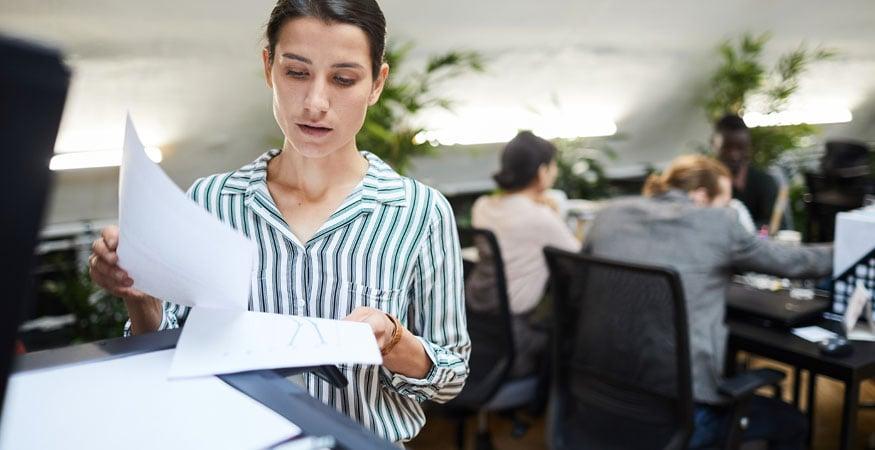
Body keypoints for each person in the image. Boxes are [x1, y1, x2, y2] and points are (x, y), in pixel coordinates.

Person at [87, 0, 470, 443]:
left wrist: (393, 341)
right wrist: (142, 298)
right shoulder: (212, 201)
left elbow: (451, 376)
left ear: (376, 84)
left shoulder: (418, 213)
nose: (315, 103)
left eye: (343, 80)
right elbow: (171, 354)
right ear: (269, 67)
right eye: (296, 72)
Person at [582, 154, 831, 449]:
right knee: (793, 423)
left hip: (594, 403)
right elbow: (795, 262)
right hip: (678, 420)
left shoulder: (609, 215)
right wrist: (852, 244)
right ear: (700, 196)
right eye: (725, 203)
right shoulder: (716, 223)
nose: (728, 211)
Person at [466, 131, 580, 376]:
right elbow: (579, 261)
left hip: (479, 337)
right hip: (518, 343)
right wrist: (554, 213)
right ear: (541, 172)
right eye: (553, 166)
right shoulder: (540, 218)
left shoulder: (482, 206)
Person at [713, 114, 779, 228]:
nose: (734, 155)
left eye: (740, 147)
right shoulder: (704, 182)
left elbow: (772, 226)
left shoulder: (765, 183)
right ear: (714, 146)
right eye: (727, 147)